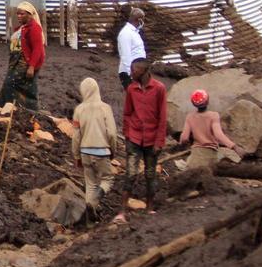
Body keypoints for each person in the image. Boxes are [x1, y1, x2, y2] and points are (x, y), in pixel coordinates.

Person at [114, 58, 168, 223]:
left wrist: (159, 142)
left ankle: (149, 207)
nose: (131, 73)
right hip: (135, 137)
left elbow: (162, 117)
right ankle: (122, 211)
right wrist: (127, 133)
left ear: (144, 71)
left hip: (152, 139)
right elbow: (127, 112)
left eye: (134, 70)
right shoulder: (131, 89)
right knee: (130, 173)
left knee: (150, 174)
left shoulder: (159, 88)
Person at [71, 77, 118, 220]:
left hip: (85, 152)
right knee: (107, 179)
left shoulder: (79, 110)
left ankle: (90, 218)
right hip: (101, 151)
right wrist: (112, 151)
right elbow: (111, 133)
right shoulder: (105, 108)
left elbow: (76, 136)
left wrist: (76, 156)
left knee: (90, 183)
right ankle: (97, 198)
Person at [0, 1, 45, 112]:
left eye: (22, 14)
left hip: (25, 63)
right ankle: (7, 108)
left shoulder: (34, 28)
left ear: (29, 14)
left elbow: (38, 49)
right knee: (13, 85)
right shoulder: (23, 28)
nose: (19, 16)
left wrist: (31, 66)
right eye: (18, 14)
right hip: (17, 63)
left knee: (11, 84)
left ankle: (9, 109)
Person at [180, 89, 242, 170]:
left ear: (193, 104)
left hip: (195, 154)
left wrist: (182, 143)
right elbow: (218, 135)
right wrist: (234, 147)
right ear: (207, 102)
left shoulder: (190, 117)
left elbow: (184, 137)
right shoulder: (213, 115)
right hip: (210, 154)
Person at [117, 8, 146, 89]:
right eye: (143, 19)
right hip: (130, 74)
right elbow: (126, 56)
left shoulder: (135, 33)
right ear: (139, 20)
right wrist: (132, 75)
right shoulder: (126, 33)